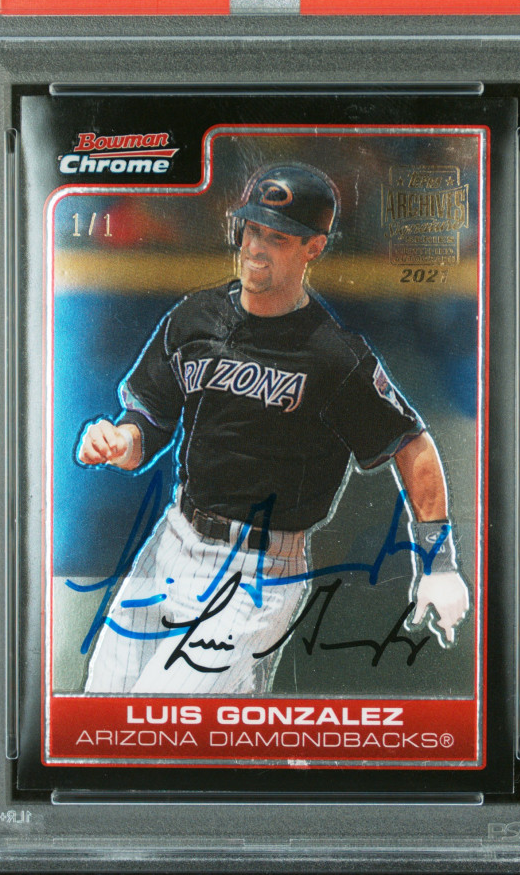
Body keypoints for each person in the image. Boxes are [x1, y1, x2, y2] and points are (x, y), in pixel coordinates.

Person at [78, 163, 470, 694]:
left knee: (165, 713)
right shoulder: (195, 316)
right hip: (172, 541)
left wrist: (439, 563)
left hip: (258, 571)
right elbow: (148, 421)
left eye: (278, 237)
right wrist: (118, 441)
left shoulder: (334, 356)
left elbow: (412, 445)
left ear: (314, 247)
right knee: (102, 706)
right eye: (253, 229)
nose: (256, 248)